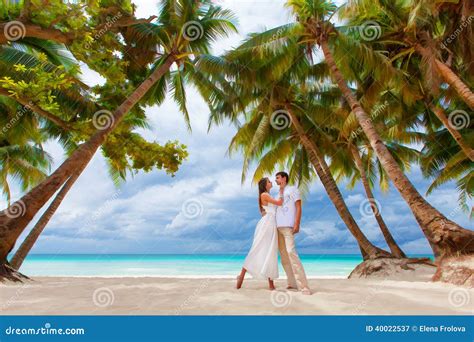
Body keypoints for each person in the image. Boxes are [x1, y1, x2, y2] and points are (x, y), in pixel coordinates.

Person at [236, 177, 283, 290]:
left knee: (270, 251)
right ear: (265, 185)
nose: (271, 182)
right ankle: (241, 275)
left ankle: (271, 284)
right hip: (267, 224)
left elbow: (268, 210)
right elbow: (280, 203)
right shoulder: (264, 195)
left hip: (270, 223)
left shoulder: (266, 195)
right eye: (269, 181)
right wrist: (282, 189)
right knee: (258, 249)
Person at [275, 171, 311, 295]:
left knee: (291, 252)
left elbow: (299, 207)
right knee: (284, 257)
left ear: (284, 178)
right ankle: (291, 283)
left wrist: (297, 223)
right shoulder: (277, 193)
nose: (276, 181)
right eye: (275, 179)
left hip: (288, 227)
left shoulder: (293, 189)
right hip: (277, 228)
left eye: (278, 178)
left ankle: (304, 286)